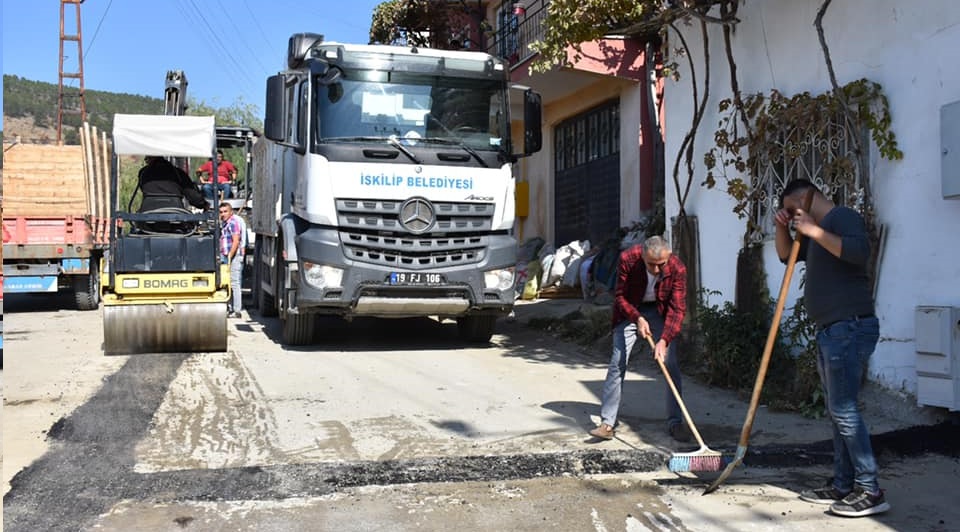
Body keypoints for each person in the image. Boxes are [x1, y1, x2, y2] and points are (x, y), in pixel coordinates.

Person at [775, 179, 889, 517]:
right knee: (838, 410)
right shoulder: (817, 229)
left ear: (804, 199)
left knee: (843, 410)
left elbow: (859, 252)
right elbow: (785, 256)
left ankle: (870, 490)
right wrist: (781, 227)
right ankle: (843, 484)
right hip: (831, 330)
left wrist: (812, 228)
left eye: (792, 210)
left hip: (850, 326)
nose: (794, 217)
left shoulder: (841, 217)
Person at [589, 235, 691, 443]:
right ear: (643, 256)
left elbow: (677, 309)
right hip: (631, 310)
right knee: (618, 361)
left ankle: (676, 422)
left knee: (670, 363)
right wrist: (638, 318)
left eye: (660, 265)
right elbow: (620, 297)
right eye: (650, 265)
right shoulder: (628, 258)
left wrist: (664, 340)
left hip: (661, 312)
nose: (656, 270)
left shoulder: (677, 268)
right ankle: (607, 423)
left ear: (668, 257)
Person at [137, 156, 207, 211]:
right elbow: (192, 196)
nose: (146, 161)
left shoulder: (143, 172)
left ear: (150, 158)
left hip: (148, 211)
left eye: (146, 159)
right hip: (175, 213)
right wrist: (203, 204)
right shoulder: (179, 173)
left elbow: (143, 188)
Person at [219, 202, 244, 319]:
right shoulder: (225, 223)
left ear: (231, 212)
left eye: (225, 211)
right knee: (226, 282)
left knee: (234, 283)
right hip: (226, 255)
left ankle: (237, 310)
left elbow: (236, 241)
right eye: (221, 212)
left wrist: (230, 256)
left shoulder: (233, 223)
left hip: (233, 256)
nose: (223, 214)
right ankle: (229, 308)